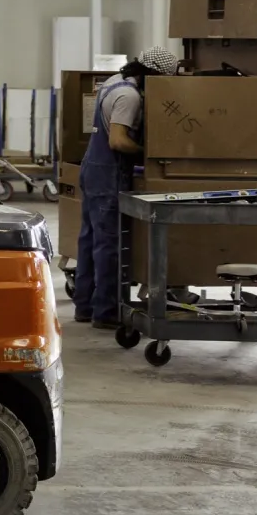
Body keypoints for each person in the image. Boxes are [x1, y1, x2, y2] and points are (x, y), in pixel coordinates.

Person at [75, 46, 179, 329]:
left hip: (92, 168)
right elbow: (118, 141)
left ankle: (84, 306)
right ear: (153, 75)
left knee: (89, 240)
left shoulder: (113, 81)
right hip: (108, 171)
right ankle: (107, 312)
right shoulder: (130, 97)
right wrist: (148, 152)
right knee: (110, 244)